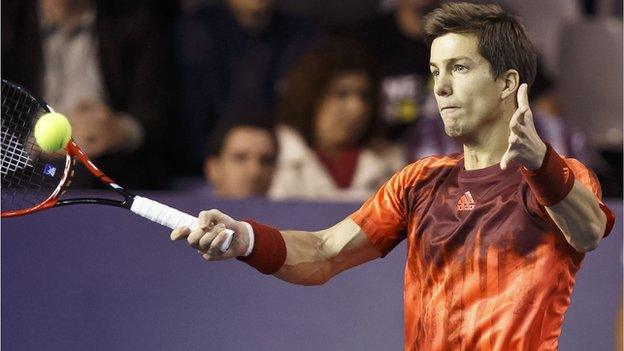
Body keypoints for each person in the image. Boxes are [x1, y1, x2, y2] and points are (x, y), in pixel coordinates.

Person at [169, 3, 615, 350]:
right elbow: (325, 252)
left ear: (506, 82)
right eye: (434, 72)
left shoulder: (561, 177)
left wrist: (538, 161)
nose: (440, 88)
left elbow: (589, 231)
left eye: (459, 68)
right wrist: (246, 237)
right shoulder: (419, 182)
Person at [1, 0, 175, 189]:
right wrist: (33, 145)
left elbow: (155, 112)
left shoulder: (134, 17)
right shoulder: (7, 19)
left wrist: (121, 130)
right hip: (28, 170)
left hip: (112, 164)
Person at [174, 0, 316, 175]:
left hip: (280, 169)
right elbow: (187, 111)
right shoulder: (194, 30)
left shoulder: (300, 33)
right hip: (197, 170)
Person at [269, 35, 406, 201]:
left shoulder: (391, 162)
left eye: (365, 96)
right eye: (341, 94)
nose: (357, 108)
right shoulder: (274, 154)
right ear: (311, 99)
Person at [203, 110, 278, 199]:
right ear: (213, 167)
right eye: (240, 158)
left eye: (266, 161)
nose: (255, 172)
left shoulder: (287, 210)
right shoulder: (186, 211)